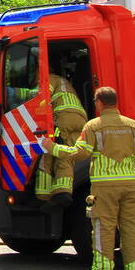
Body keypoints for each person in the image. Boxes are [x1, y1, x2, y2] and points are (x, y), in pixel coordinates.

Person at [41, 86, 135, 270]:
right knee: (132, 229)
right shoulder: (133, 126)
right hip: (131, 184)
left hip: (105, 186)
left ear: (99, 102)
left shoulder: (93, 126)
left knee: (104, 229)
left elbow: (80, 153)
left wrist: (53, 148)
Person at [35, 73, 88, 210]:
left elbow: (42, 96)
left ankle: (42, 197)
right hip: (80, 119)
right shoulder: (65, 84)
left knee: (47, 153)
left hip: (63, 118)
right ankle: (63, 193)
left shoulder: (49, 77)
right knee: (66, 154)